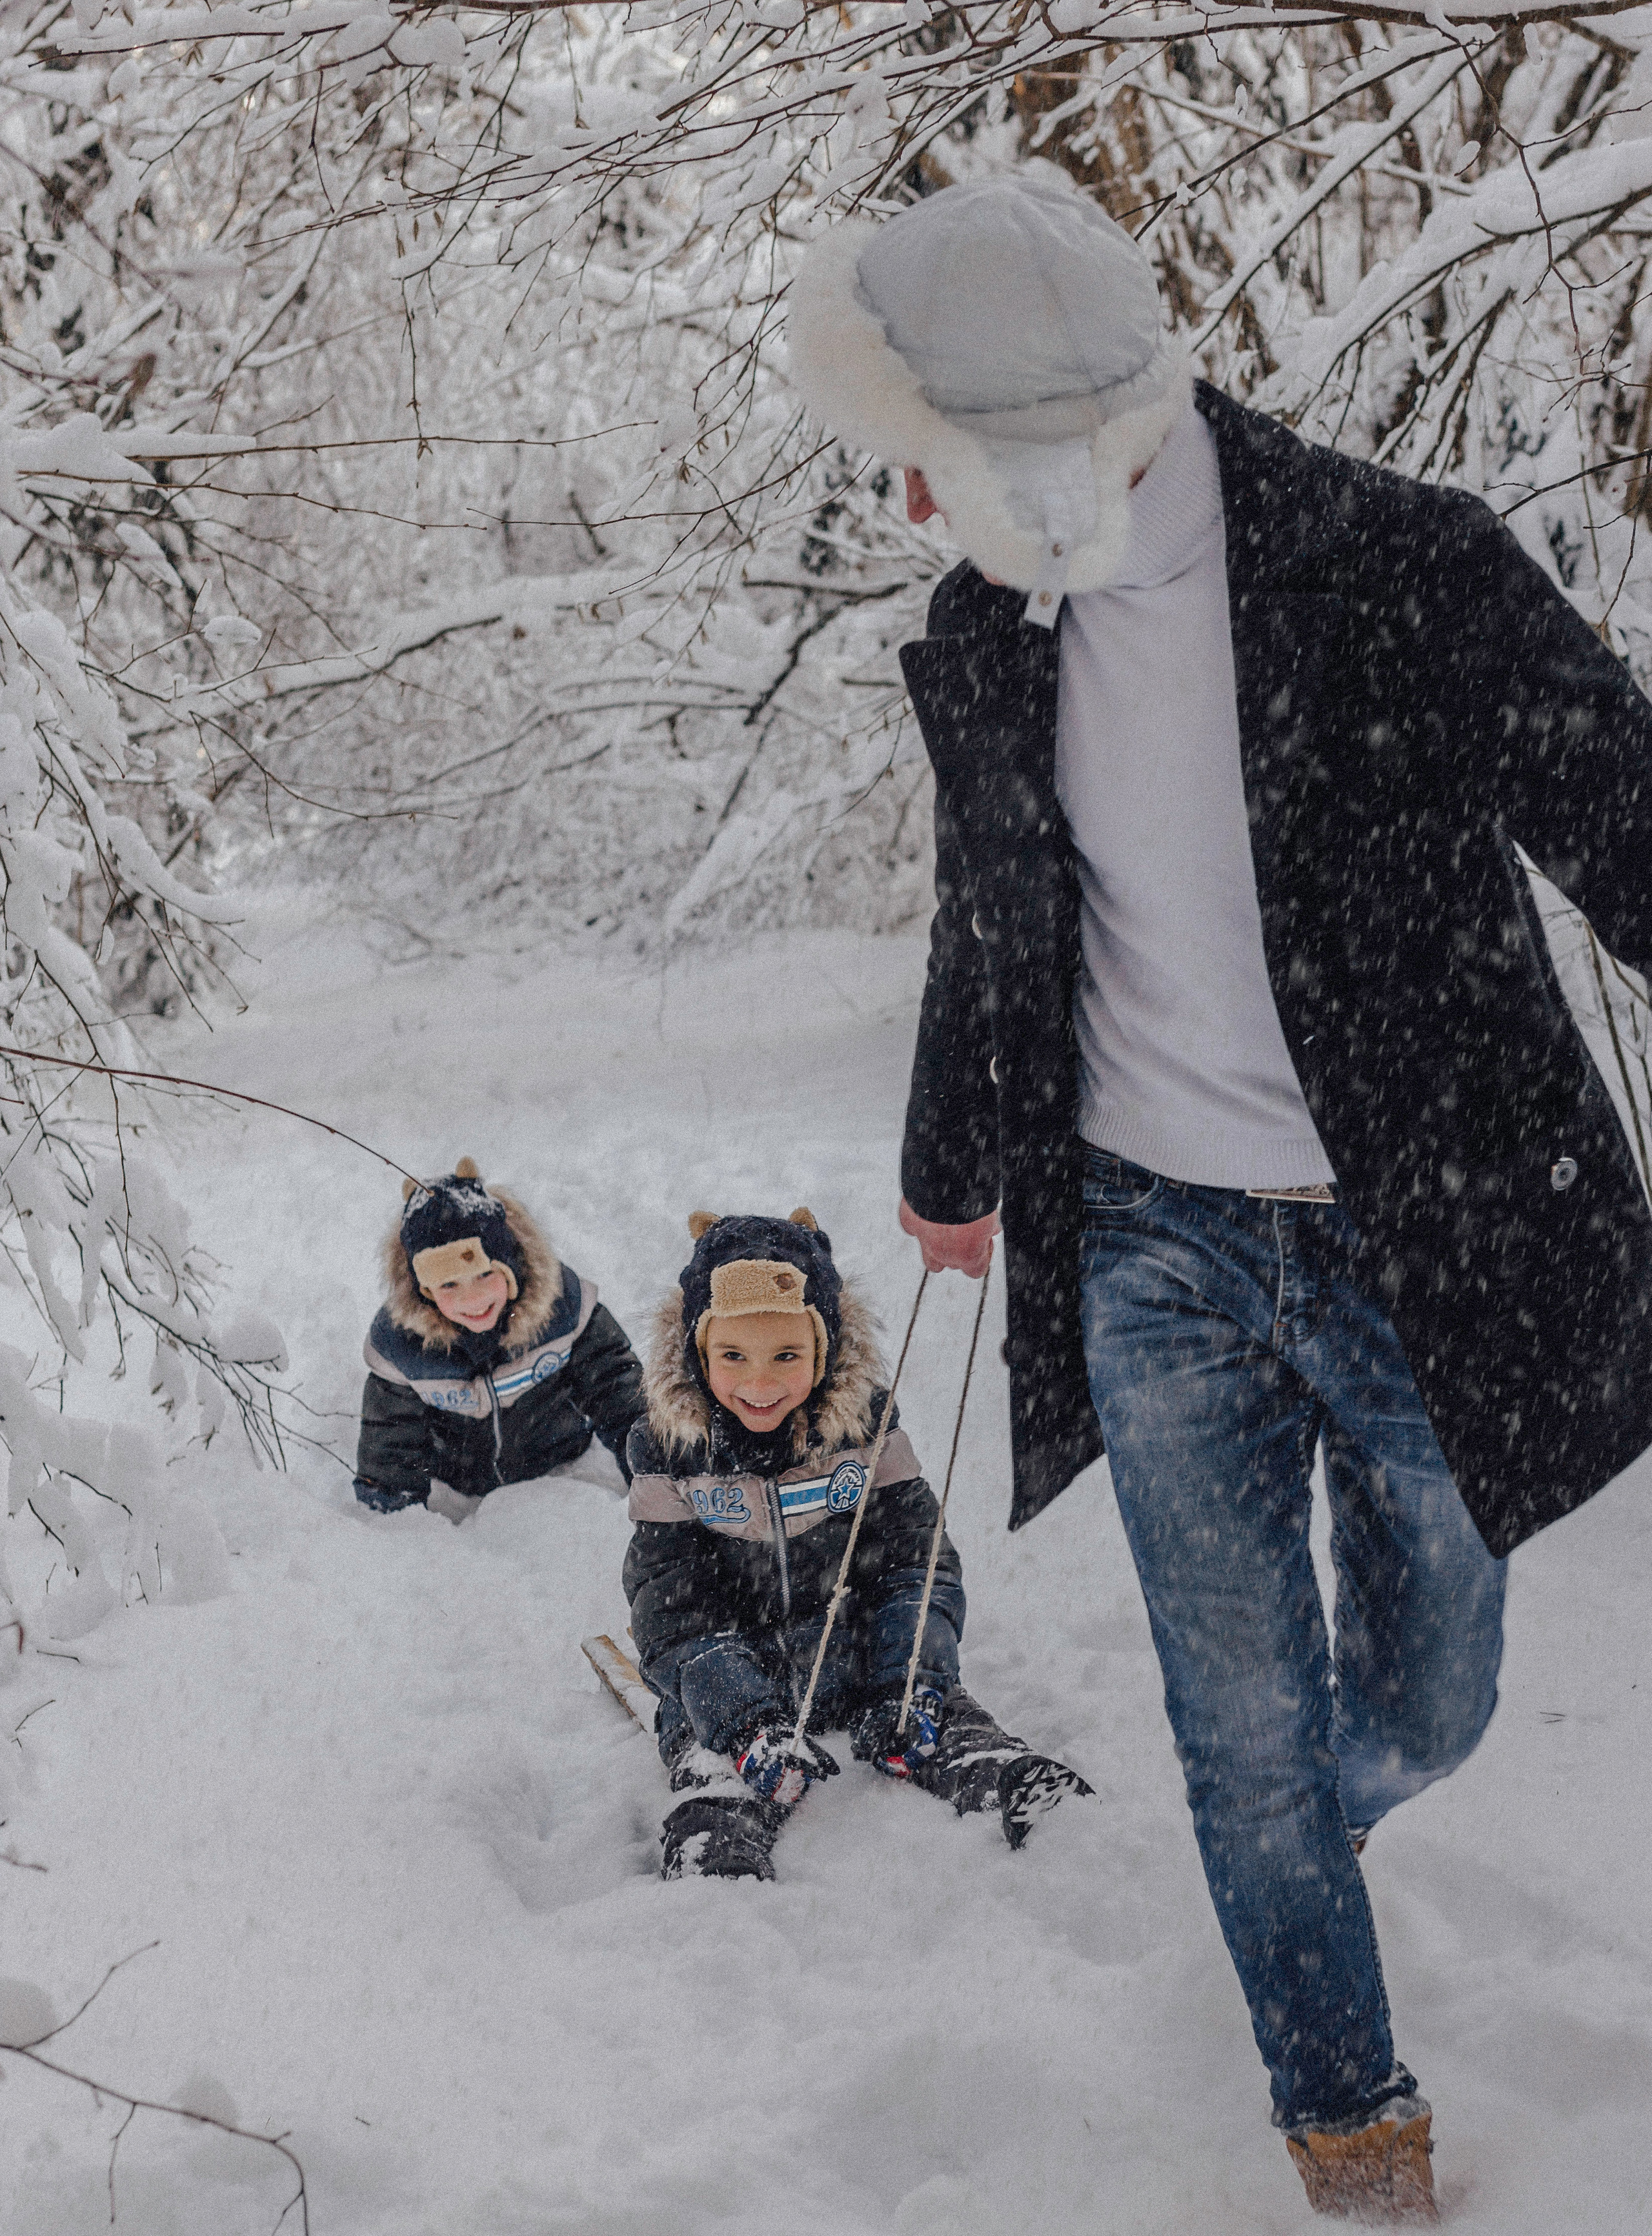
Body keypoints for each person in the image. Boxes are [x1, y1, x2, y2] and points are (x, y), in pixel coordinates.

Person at [786, 176, 1652, 2219]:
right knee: (1241, 1737)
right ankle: (1349, 2133)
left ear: (1037, 451)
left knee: (1426, 1693)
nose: (910, 515)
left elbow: (1628, 812)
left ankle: (1314, 1842)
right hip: (1152, 1248)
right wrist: (944, 1167)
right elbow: (990, 921)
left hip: (1413, 1241)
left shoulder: (1397, 566)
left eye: (929, 469)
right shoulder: (992, 627)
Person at [622, 1207, 1093, 1881]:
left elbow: (916, 1565)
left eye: (787, 1356)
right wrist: (743, 1721)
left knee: (943, 1720)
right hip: (726, 1677)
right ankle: (717, 1868)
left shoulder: (864, 1436)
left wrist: (909, 1680)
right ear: (698, 1355)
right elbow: (669, 1612)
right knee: (714, 1771)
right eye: (733, 1357)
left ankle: (1007, 1782)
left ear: (827, 1349)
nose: (759, 1384)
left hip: (854, 1656)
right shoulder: (670, 1452)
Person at [354, 1158, 645, 1519]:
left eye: (484, 1275)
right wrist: (395, 1526)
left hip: (561, 1472)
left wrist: (655, 1477)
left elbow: (621, 1394)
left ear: (511, 1264)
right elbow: (392, 1447)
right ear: (425, 1290)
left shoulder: (562, 1310)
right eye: (449, 1284)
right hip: (460, 1491)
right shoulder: (404, 1348)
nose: (472, 1299)